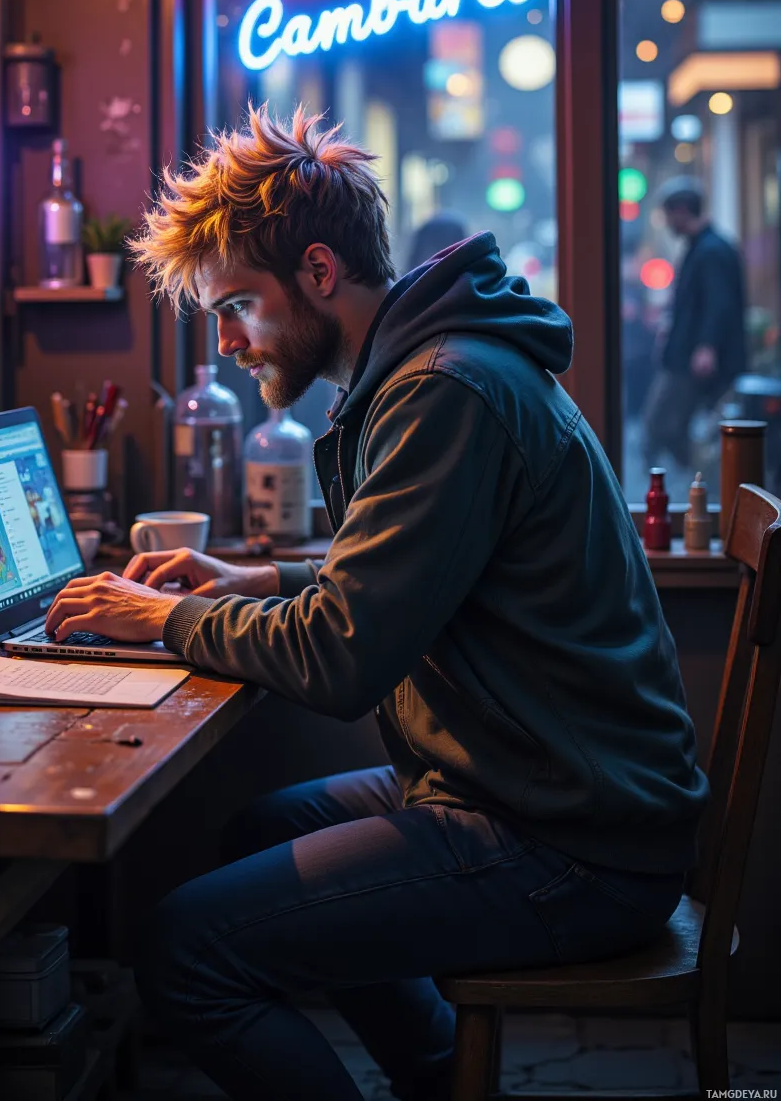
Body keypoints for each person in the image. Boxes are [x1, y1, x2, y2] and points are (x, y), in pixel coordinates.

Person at [45, 105, 708, 1101]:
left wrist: (163, 618)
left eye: (238, 308)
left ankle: (433, 1070)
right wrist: (255, 580)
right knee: (258, 834)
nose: (226, 343)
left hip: (571, 840)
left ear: (317, 272)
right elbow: (409, 579)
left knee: (185, 951)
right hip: (539, 791)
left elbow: (340, 658)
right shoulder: (430, 370)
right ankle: (439, 1076)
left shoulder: (444, 391)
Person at [643, 176, 746, 470]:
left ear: (682, 211)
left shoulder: (711, 250)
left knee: (663, 423)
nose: (667, 223)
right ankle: (696, 483)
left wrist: (706, 347)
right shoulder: (704, 248)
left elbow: (719, 304)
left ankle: (699, 483)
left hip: (694, 359)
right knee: (667, 424)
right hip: (689, 356)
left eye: (668, 214)